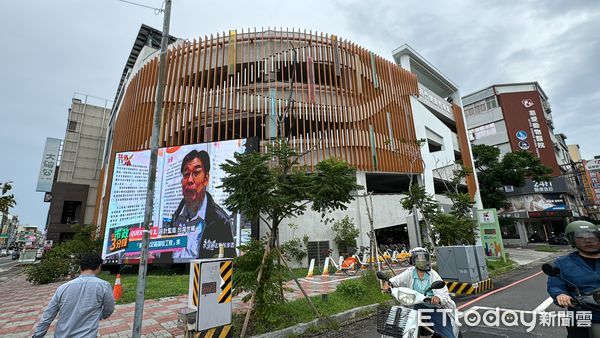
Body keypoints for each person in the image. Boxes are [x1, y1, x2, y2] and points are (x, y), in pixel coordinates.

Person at [171, 149, 235, 259]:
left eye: (196, 173)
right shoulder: (175, 218)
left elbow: (228, 260)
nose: (190, 180)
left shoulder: (221, 221)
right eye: (186, 174)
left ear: (206, 178)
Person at [32, 254, 114, 337]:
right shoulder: (104, 286)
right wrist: (98, 317)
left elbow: (48, 316)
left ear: (80, 267)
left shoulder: (63, 288)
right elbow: (109, 309)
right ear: (99, 267)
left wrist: (37, 335)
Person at [383, 247, 456, 338]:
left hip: (432, 307)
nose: (421, 261)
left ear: (427, 259)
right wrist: (387, 284)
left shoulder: (433, 275)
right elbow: (395, 280)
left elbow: (443, 294)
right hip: (415, 305)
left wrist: (438, 298)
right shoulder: (410, 272)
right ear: (413, 260)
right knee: (397, 323)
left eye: (423, 258)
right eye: (418, 258)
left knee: (447, 335)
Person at [547, 220, 600, 337]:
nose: (588, 240)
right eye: (581, 238)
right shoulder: (562, 263)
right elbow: (555, 285)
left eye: (592, 236)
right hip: (583, 314)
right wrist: (561, 295)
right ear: (572, 241)